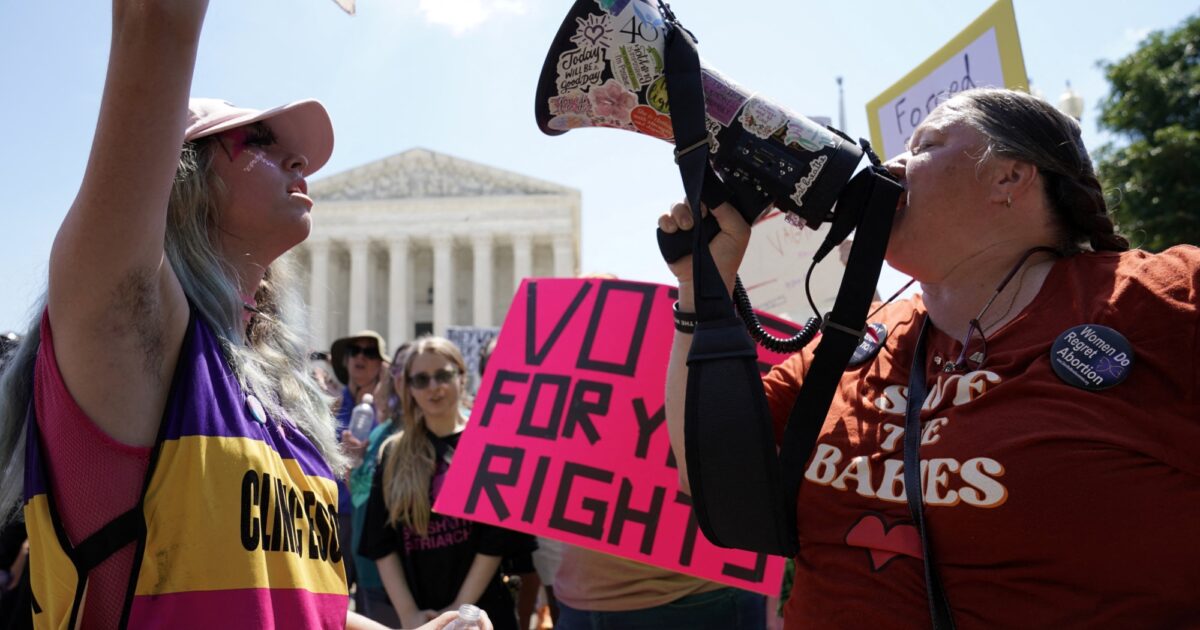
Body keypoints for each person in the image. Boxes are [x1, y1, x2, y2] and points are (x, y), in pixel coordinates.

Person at [0, 2, 487, 628]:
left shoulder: (278, 400)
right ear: (184, 181)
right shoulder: (133, 340)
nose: (300, 162)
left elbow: (294, 598)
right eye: (259, 141)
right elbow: (155, 23)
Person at [659, 88, 1200, 627]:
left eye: (924, 146)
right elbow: (708, 474)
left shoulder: (1160, 298)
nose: (891, 165)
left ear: (1009, 177)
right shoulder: (859, 340)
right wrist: (703, 290)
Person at [360, 337, 534, 630]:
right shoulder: (392, 453)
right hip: (421, 614)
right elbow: (381, 543)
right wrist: (408, 614)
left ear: (461, 377)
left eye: (442, 375)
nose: (433, 387)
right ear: (409, 388)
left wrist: (459, 612)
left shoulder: (490, 445)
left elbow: (495, 540)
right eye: (421, 379)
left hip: (483, 612)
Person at [348, 343, 413, 627]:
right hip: (369, 571)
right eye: (399, 369)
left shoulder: (424, 434)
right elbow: (359, 493)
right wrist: (352, 462)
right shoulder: (379, 434)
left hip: (408, 575)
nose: (405, 377)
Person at [331, 330, 389, 612]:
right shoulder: (330, 404)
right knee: (331, 599)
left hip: (371, 514)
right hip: (335, 513)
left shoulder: (389, 409)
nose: (361, 357)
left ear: (381, 364)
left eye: (370, 352)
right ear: (346, 359)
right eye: (355, 350)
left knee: (371, 604)